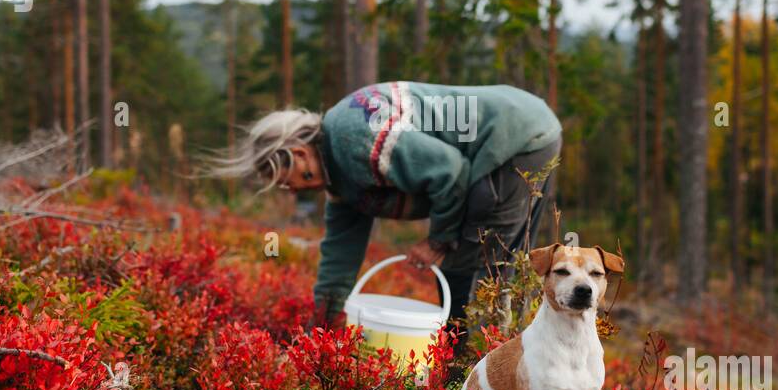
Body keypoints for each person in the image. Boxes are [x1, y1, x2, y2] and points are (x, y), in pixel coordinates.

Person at [211, 81, 562, 350]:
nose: (292, 192)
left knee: (481, 265)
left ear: (300, 154)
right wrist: (321, 332)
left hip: (518, 135)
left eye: (288, 182)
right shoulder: (339, 175)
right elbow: (339, 254)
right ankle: (478, 364)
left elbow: (449, 171)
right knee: (478, 264)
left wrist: (437, 240)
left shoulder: (352, 137)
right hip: (521, 127)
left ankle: (480, 376)